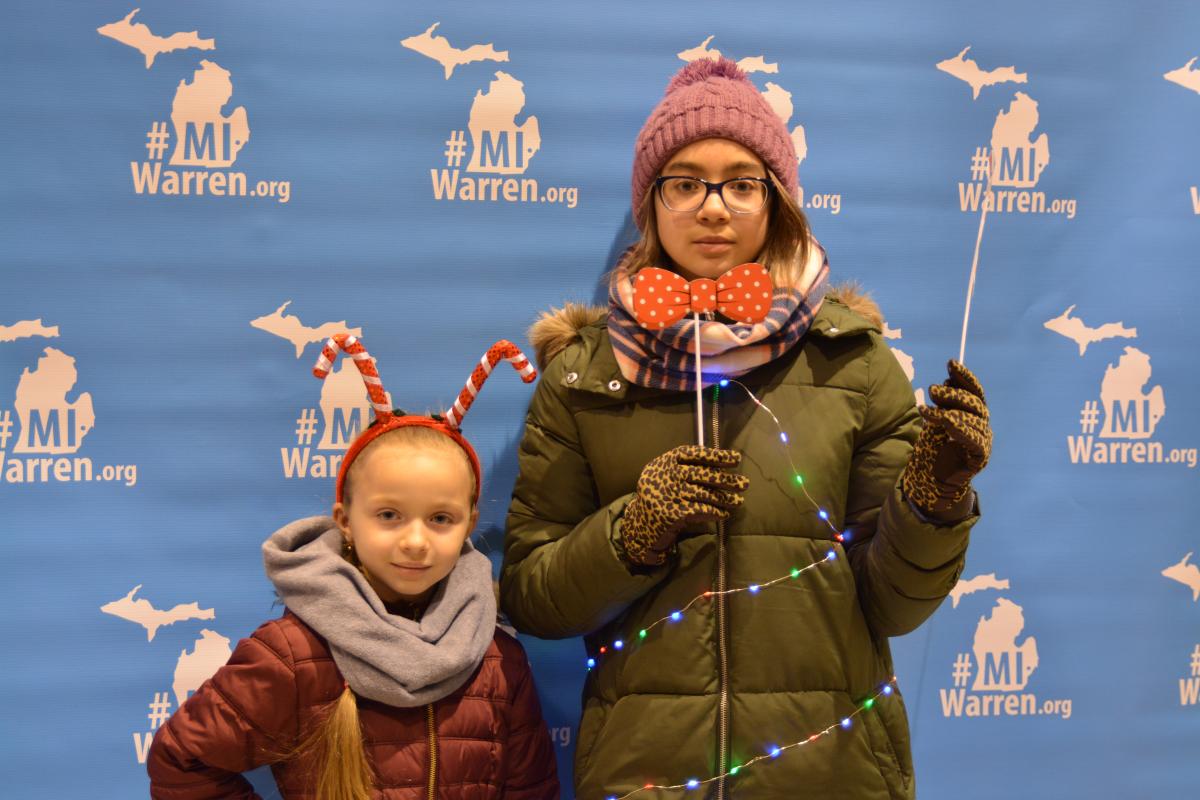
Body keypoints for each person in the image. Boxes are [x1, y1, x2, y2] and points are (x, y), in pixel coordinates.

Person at [500, 59, 991, 799]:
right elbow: (534, 599)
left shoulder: (853, 361)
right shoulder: (584, 375)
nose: (713, 208)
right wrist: (633, 532)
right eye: (685, 183)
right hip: (648, 778)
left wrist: (934, 498)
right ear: (651, 201)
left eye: (741, 183)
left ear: (776, 200)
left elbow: (895, 605)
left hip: (834, 776)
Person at [148, 336, 558, 800]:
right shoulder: (294, 654)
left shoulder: (497, 657)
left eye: (441, 519)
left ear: (470, 524)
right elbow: (181, 759)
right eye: (389, 515)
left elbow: (531, 790)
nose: (416, 541)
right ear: (345, 520)